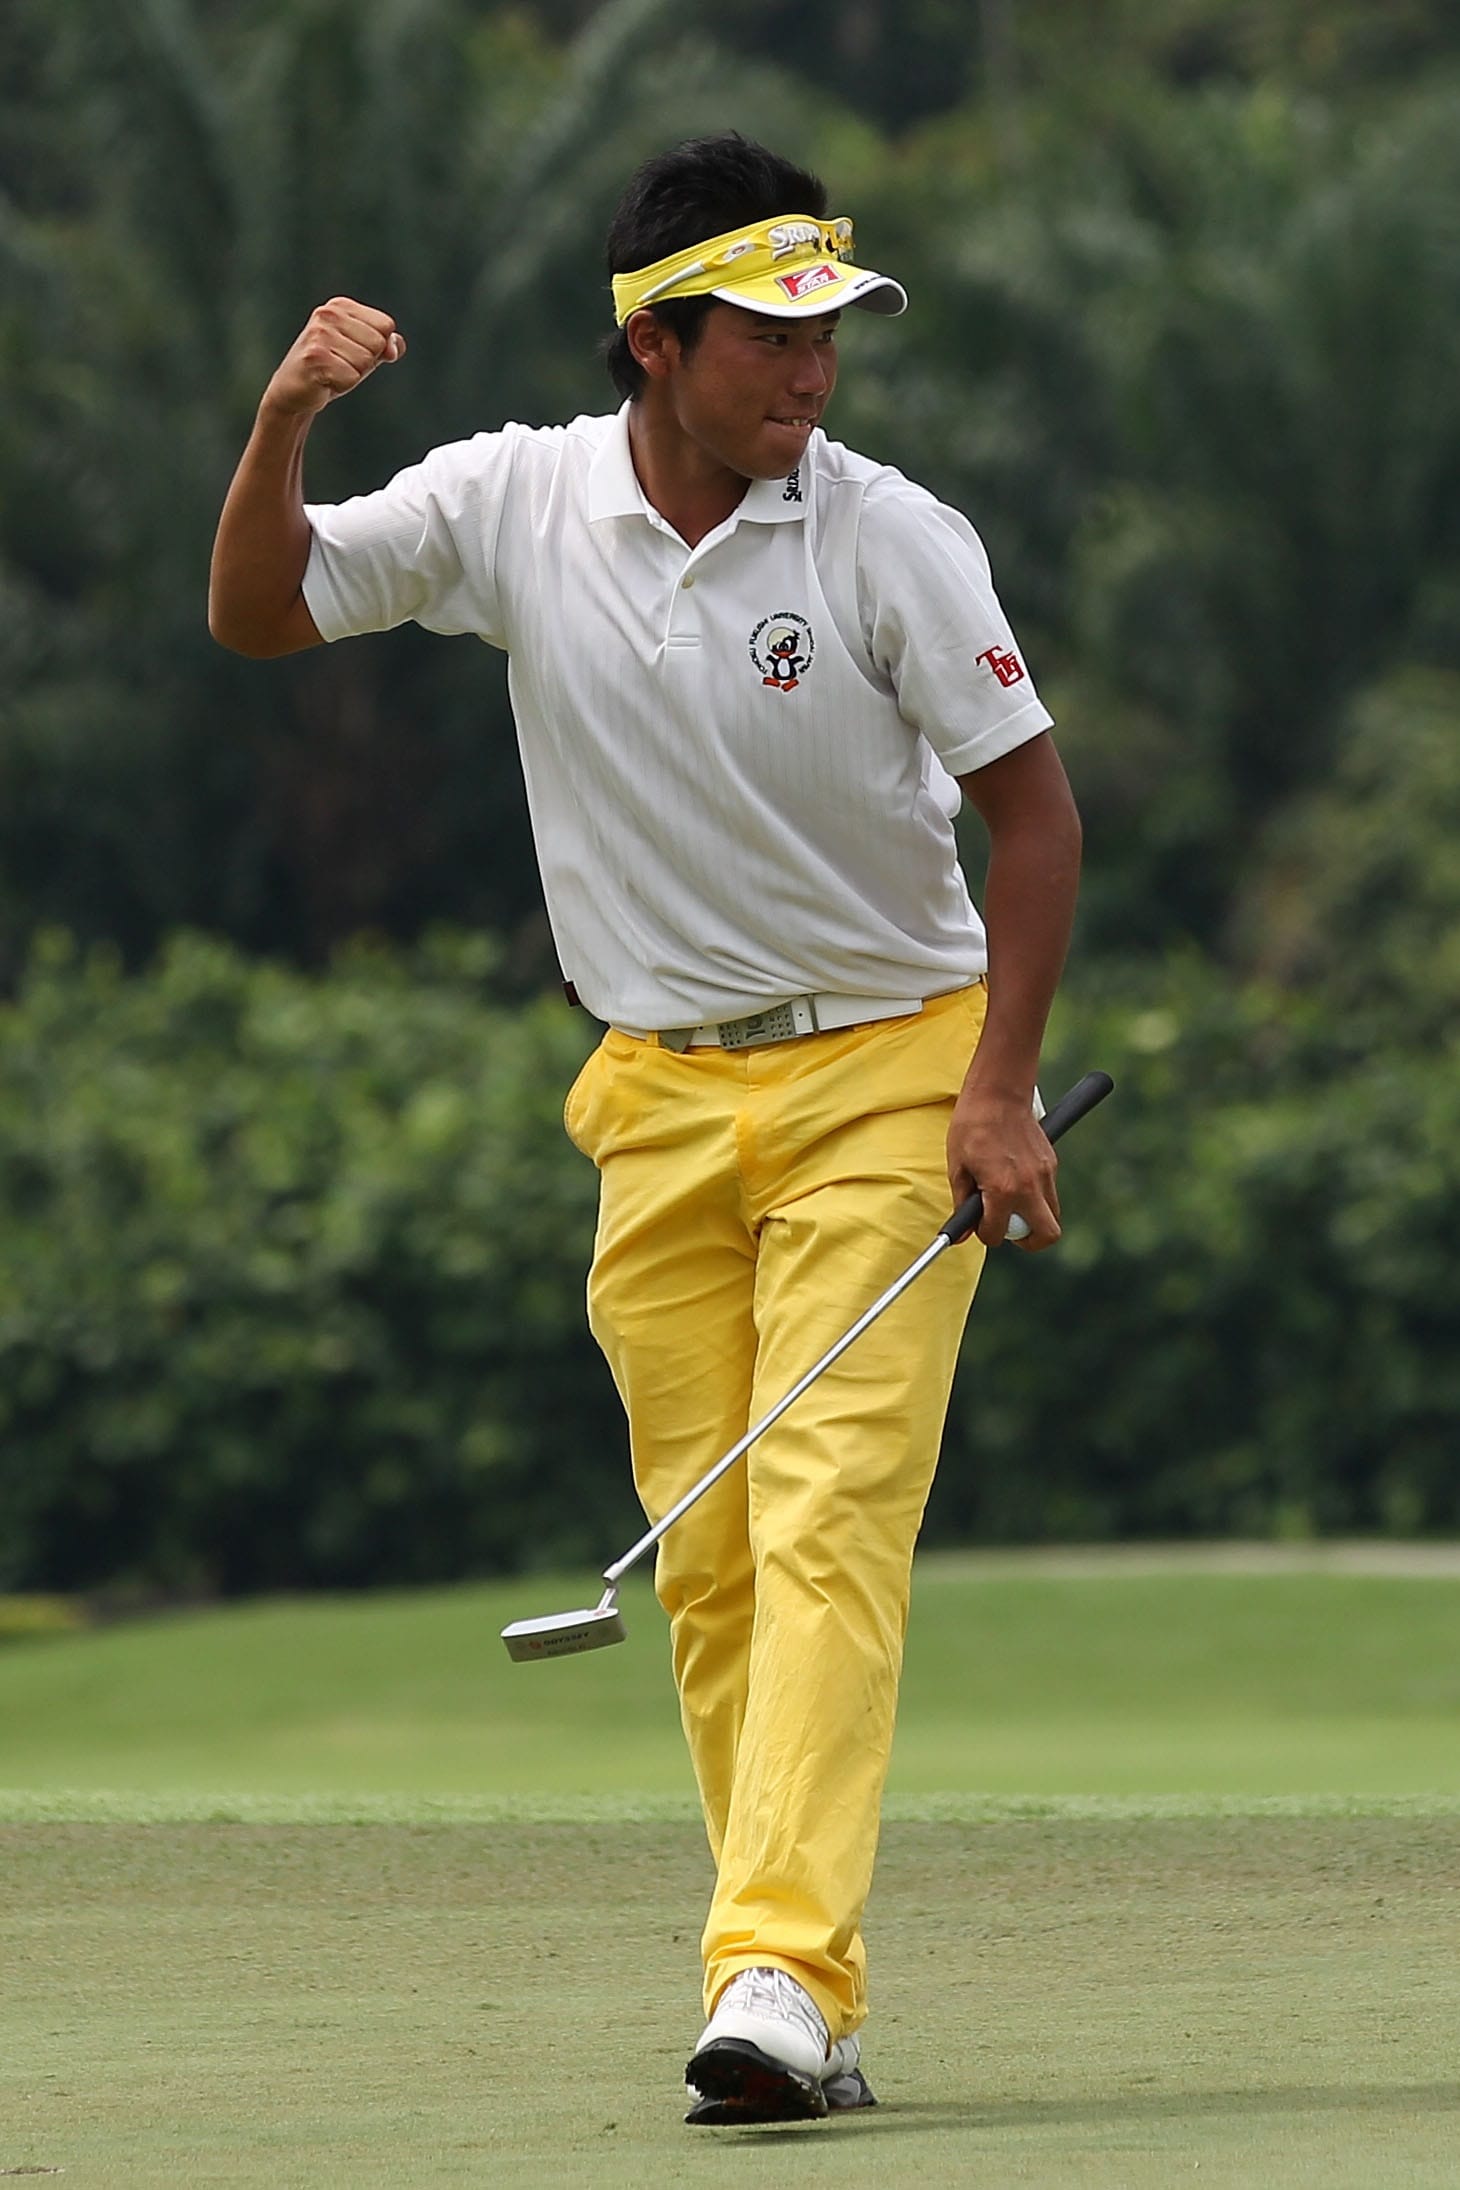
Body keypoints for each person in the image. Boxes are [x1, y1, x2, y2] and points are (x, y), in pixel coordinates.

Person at [209, 131, 1081, 2127]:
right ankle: (789, 1985)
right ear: (653, 342)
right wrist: (280, 423)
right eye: (770, 342)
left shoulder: (889, 539)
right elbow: (264, 613)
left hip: (887, 1070)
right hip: (658, 1100)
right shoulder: (512, 501)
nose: (812, 377)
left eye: (831, 339)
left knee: (824, 1514)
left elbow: (1030, 819)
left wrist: (999, 1088)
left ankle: (772, 1967)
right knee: (707, 1569)